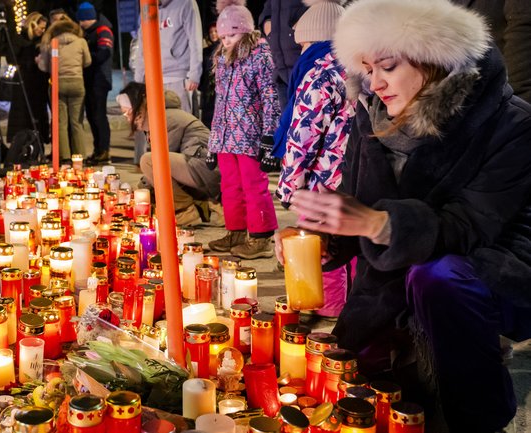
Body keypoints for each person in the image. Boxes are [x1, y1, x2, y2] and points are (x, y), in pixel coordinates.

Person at [277, 0, 531, 430]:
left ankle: (478, 412)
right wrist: (324, 239)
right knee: (349, 386)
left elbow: (469, 226)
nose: (374, 83)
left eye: (387, 66)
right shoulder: (373, 121)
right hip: (396, 272)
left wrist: (381, 224)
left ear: (433, 60)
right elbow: (357, 201)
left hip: (492, 267)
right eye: (366, 69)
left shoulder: (509, 123)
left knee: (436, 277)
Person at [271, 0, 355, 317]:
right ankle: (356, 302)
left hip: (321, 181)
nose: (301, 50)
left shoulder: (317, 75)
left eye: (304, 43)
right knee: (354, 245)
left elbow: (302, 139)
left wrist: (290, 189)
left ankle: (328, 307)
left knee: (319, 247)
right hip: (358, 177)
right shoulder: (361, 69)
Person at [206, 0, 280, 259]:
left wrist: (270, 135)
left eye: (233, 34)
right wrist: (213, 142)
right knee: (229, 186)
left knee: (253, 185)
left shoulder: (259, 56)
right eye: (223, 35)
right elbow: (220, 102)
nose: (226, 41)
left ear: (247, 30)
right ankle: (236, 231)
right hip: (226, 137)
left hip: (249, 136)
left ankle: (261, 236)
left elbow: (271, 96)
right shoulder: (223, 59)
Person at [117, 82, 222, 226]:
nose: (127, 118)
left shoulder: (165, 118)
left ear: (137, 107)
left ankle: (185, 210)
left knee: (148, 161)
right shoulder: (158, 117)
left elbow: (161, 163)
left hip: (206, 167)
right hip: (199, 166)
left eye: (127, 112)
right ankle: (200, 205)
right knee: (151, 178)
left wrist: (142, 189)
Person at [131, 0, 203, 163]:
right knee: (153, 130)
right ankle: (156, 170)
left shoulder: (186, 3)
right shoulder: (147, 6)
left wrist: (194, 74)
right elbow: (142, 45)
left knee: (181, 129)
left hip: (178, 76)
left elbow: (195, 39)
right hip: (153, 78)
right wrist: (138, 81)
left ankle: (186, 169)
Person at [37, 20, 91, 164]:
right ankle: (81, 156)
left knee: (61, 122)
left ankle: (65, 157)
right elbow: (88, 62)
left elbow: (45, 67)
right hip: (77, 83)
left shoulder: (52, 43)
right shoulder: (81, 42)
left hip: (58, 83)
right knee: (77, 122)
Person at [78, 2, 114, 166]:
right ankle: (98, 150)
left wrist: (85, 57)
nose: (79, 23)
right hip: (90, 80)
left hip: (100, 80)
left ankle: (104, 150)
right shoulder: (89, 32)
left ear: (87, 18)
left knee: (99, 116)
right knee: (92, 116)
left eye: (81, 19)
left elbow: (104, 53)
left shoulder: (102, 30)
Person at [7, 12, 50, 144]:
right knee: (22, 113)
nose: (42, 31)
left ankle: (38, 139)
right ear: (33, 24)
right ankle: (21, 140)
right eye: (40, 28)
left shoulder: (42, 41)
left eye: (44, 29)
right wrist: (31, 60)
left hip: (39, 82)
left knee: (38, 111)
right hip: (24, 81)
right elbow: (11, 57)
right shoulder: (20, 39)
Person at [258, 0, 308, 101]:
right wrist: (269, 30)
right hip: (281, 73)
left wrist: (296, 30)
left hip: (305, 69)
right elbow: (267, 12)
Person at [199, 23, 219, 129]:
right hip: (207, 90)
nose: (213, 34)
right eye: (211, 32)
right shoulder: (205, 51)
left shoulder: (224, 49)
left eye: (215, 31)